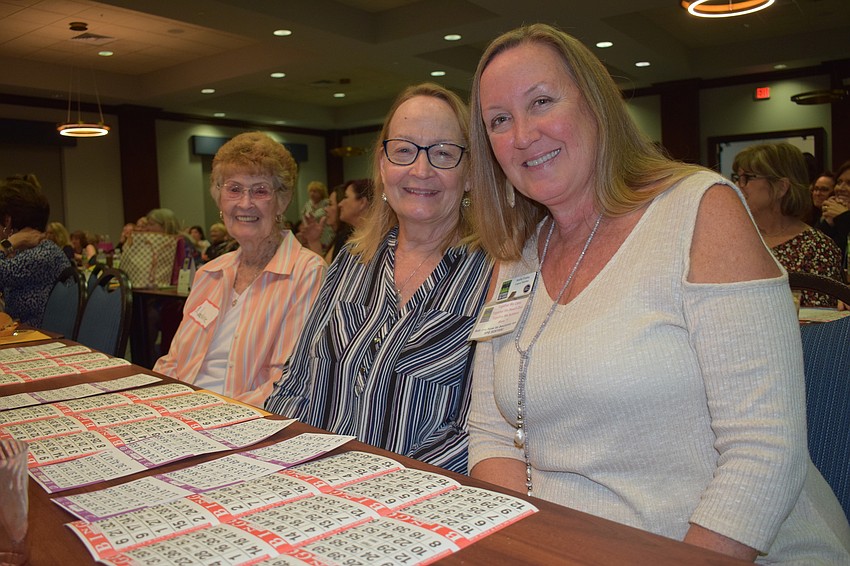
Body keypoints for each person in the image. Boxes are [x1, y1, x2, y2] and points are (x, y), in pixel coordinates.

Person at [466, 23, 850, 563]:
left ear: (596, 105)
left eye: (542, 101)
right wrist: (530, 545)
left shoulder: (701, 209)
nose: (522, 134)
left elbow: (764, 452)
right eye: (499, 120)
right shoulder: (516, 251)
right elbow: (489, 428)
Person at [265, 83, 493, 473]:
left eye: (443, 153)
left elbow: (480, 434)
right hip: (307, 482)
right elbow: (296, 383)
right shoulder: (351, 261)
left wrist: (370, 485)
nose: (421, 170)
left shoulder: (494, 275)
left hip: (415, 503)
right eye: (404, 150)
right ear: (383, 166)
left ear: (470, 173)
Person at [154, 132, 325, 406]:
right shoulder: (209, 273)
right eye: (234, 189)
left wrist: (219, 417)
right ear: (219, 198)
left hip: (245, 424)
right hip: (181, 413)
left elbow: (288, 381)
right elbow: (173, 362)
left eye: (260, 190)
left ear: (281, 200)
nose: (245, 203)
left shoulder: (307, 273)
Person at [732, 143, 843, 307]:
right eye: (737, 177)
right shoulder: (732, 239)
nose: (738, 185)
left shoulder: (816, 246)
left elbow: (820, 321)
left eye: (747, 177)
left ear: (781, 187)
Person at [0, 174, 72, 326]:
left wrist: (9, 242)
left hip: (42, 341)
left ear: (7, 221)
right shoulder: (27, 252)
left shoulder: (42, 254)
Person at [301, 178, 373, 263]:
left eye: (331, 204)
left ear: (362, 202)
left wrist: (314, 242)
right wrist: (314, 241)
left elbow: (326, 273)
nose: (340, 204)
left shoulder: (351, 239)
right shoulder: (342, 237)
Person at [818, 160, 850, 267]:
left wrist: (844, 217)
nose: (840, 188)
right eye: (839, 182)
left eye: (849, 183)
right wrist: (827, 222)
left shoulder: (842, 218)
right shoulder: (832, 215)